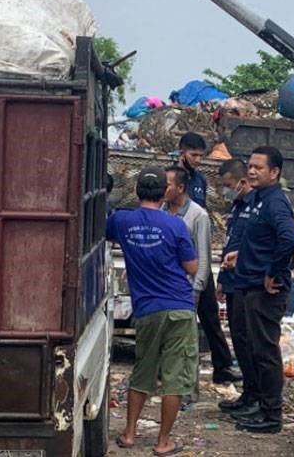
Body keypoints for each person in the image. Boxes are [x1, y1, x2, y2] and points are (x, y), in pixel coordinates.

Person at [108, 167, 199, 456]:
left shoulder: (122, 221)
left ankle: (130, 433)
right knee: (174, 377)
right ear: (164, 193)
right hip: (179, 308)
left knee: (142, 370)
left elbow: (103, 232)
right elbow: (192, 267)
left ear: (137, 192)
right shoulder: (175, 225)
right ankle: (163, 442)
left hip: (146, 309)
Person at [222, 146, 294, 433]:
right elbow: (263, 241)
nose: (252, 171)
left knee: (265, 353)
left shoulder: (275, 201)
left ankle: (271, 414)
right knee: (250, 347)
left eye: (259, 167)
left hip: (264, 290)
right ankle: (253, 398)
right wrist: (240, 255)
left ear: (274, 172)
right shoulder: (258, 200)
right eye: (250, 166)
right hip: (247, 282)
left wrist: (273, 272)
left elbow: (288, 238)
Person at [163, 165, 240, 384]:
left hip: (196, 278)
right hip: (171, 281)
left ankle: (220, 367)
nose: (163, 189)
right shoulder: (160, 209)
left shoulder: (198, 215)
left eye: (167, 184)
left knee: (208, 321)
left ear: (180, 187)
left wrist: (197, 287)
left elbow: (203, 255)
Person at [215, 159, 259, 415]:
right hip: (232, 281)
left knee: (249, 342)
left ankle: (255, 397)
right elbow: (231, 243)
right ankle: (247, 395)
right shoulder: (237, 205)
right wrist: (222, 278)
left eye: (228, 185)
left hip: (247, 282)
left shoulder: (257, 206)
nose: (225, 190)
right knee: (239, 341)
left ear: (242, 182)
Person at [178, 132, 208, 209]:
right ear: (182, 154)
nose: (198, 160)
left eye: (201, 156)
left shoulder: (201, 180)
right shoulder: (168, 177)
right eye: (193, 155)